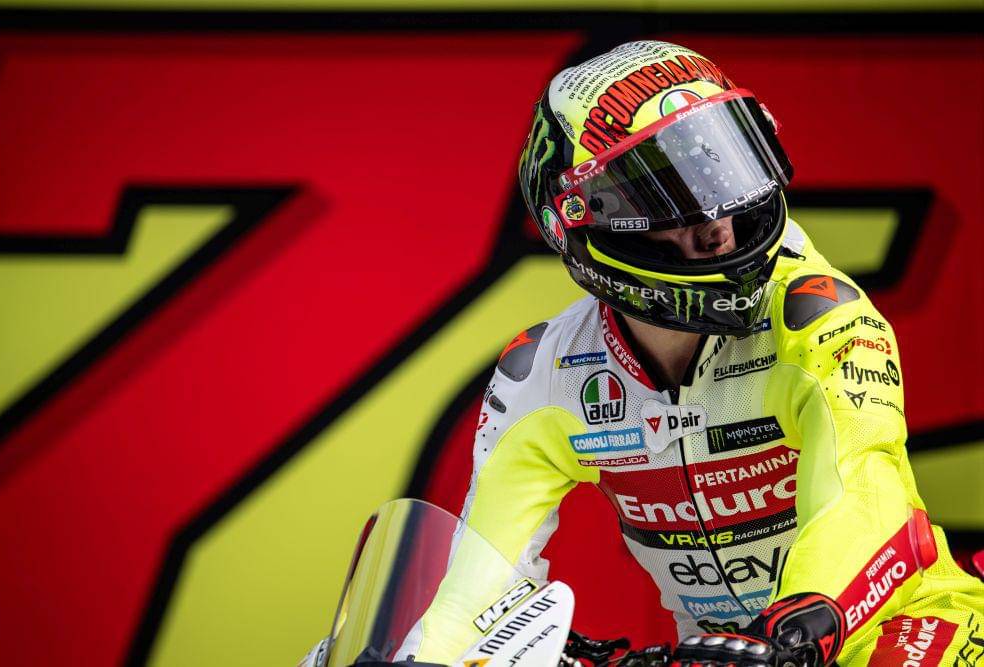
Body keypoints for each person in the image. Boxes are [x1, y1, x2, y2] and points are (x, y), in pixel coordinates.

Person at [314, 41, 984, 667]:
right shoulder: (544, 373)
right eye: (675, 195)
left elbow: (865, 494)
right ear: (583, 213)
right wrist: (422, 657)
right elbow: (472, 588)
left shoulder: (820, 317)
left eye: (726, 172)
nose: (719, 224)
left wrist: (794, 628)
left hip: (907, 628)